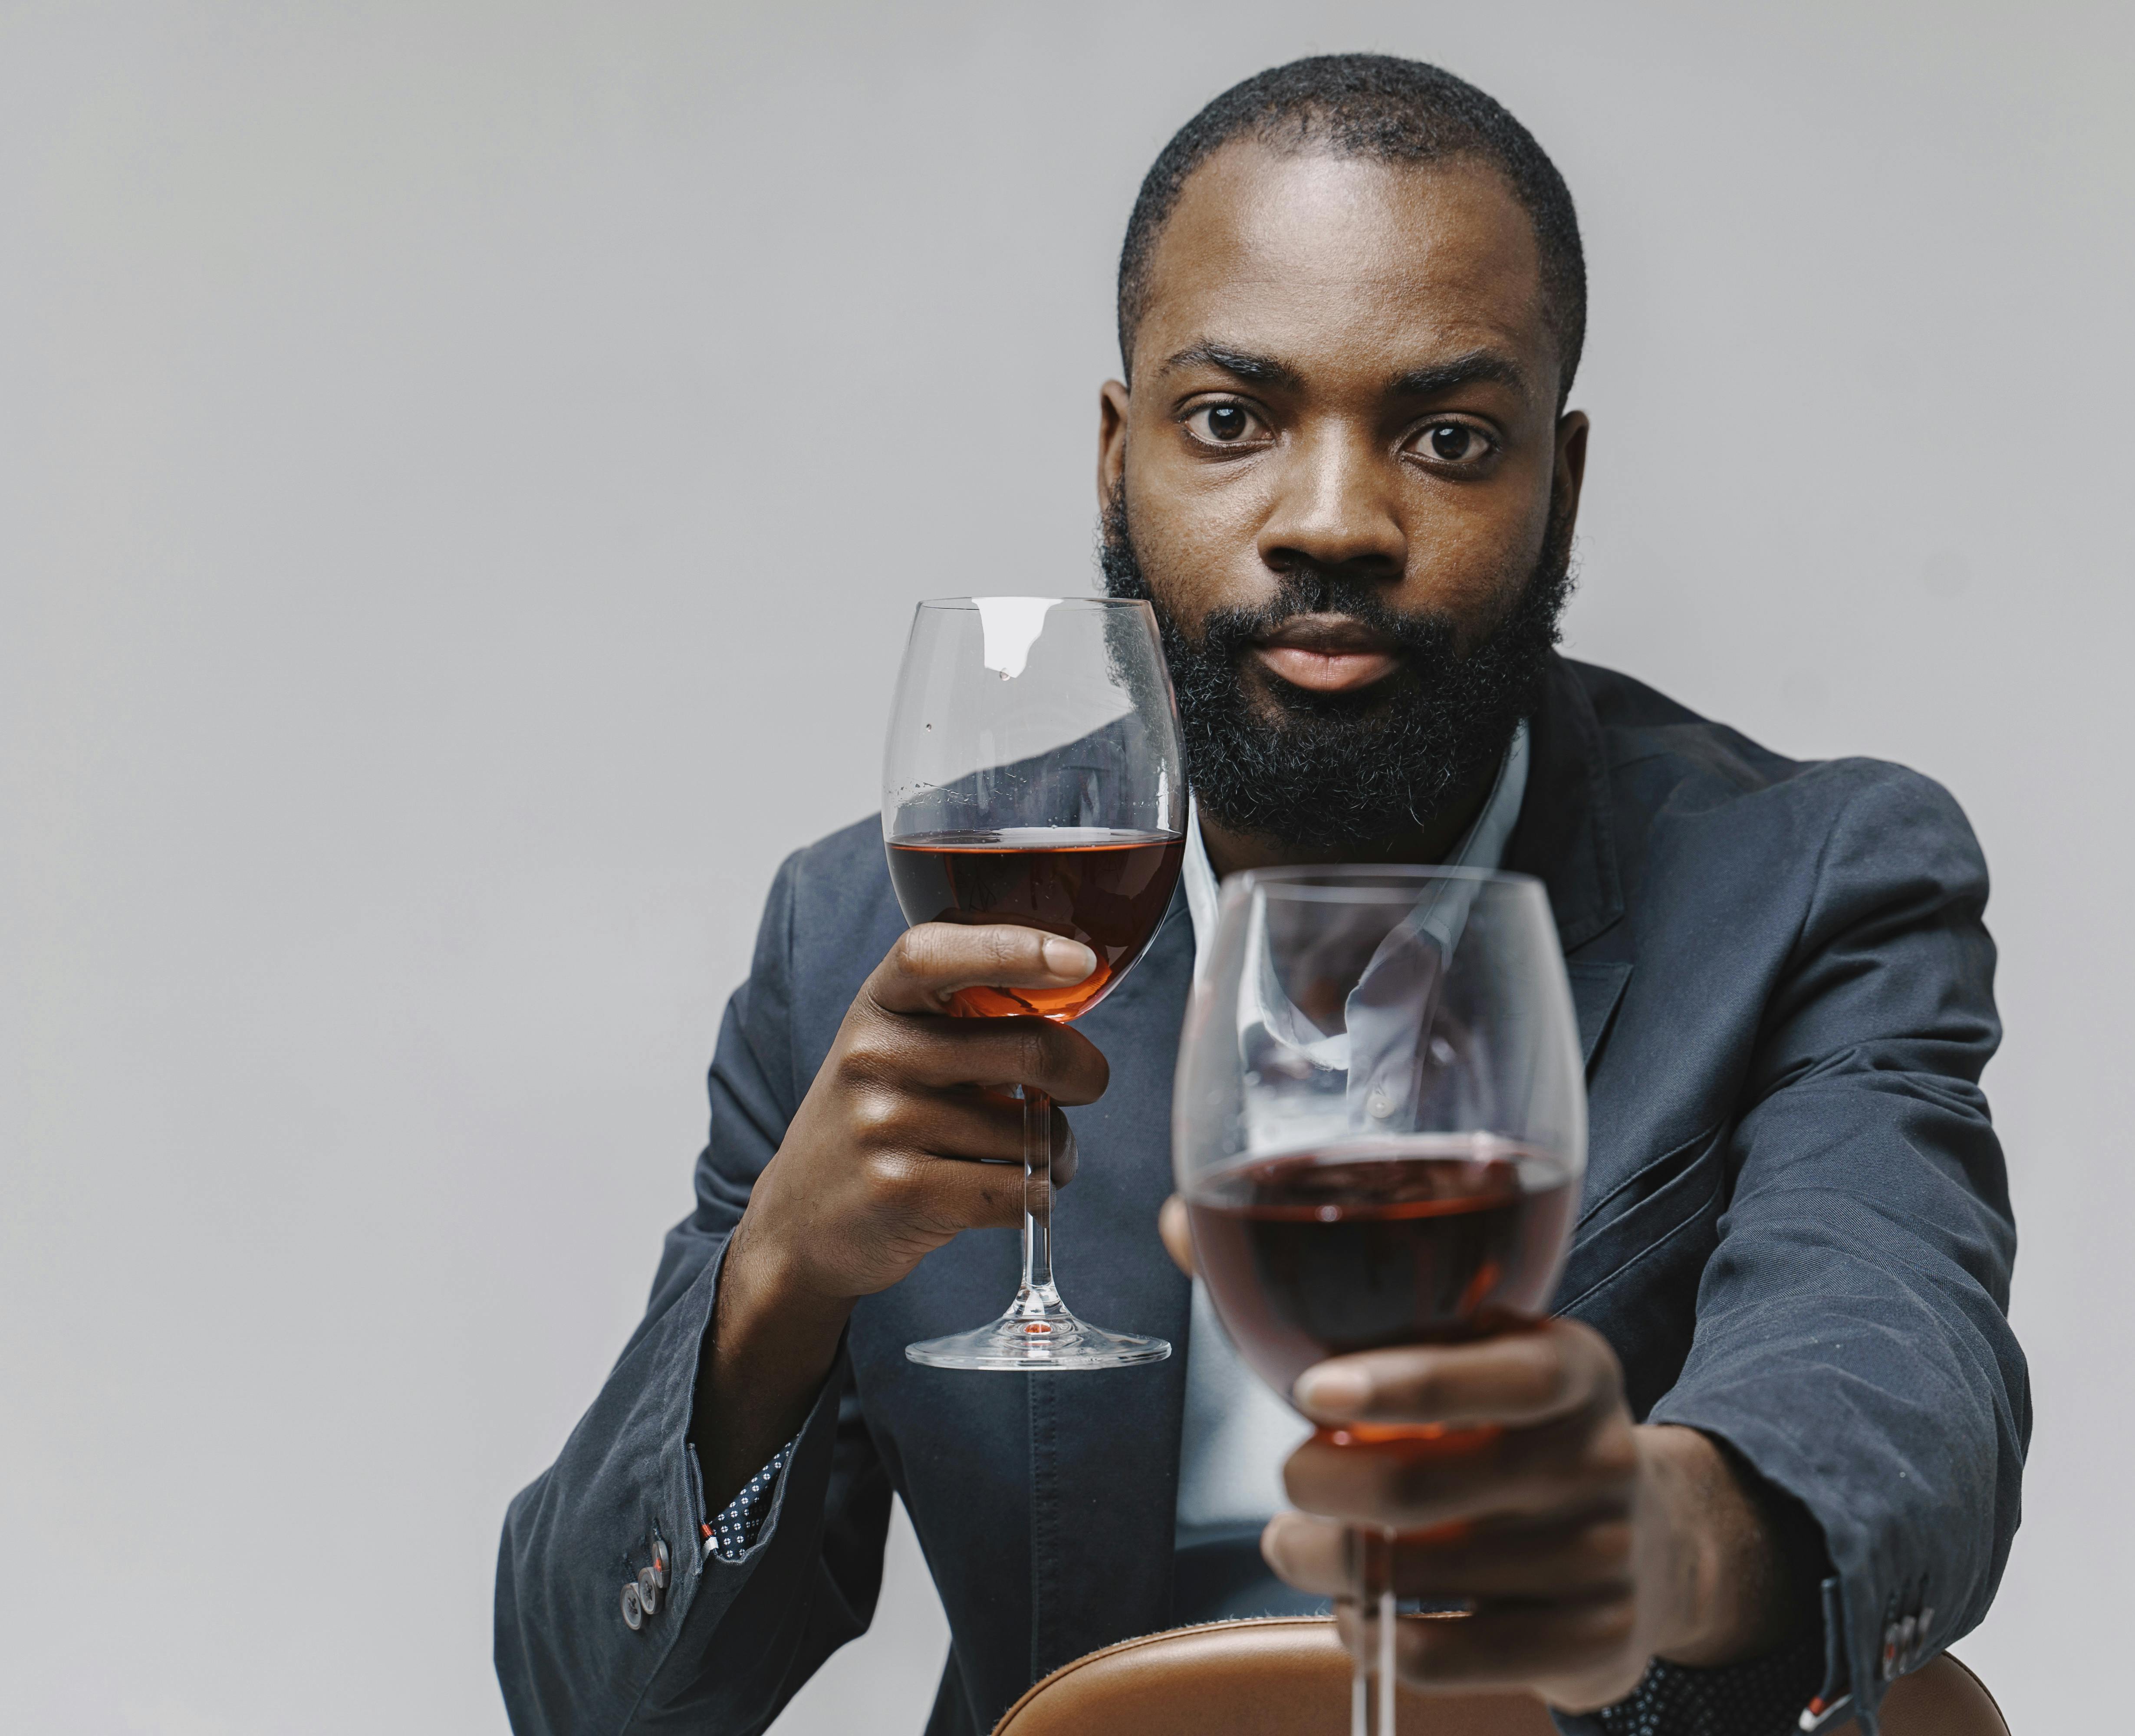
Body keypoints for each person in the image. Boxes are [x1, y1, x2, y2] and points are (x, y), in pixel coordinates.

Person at [496, 54, 2026, 1736]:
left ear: (1562, 482)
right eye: (1233, 420)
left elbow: (1899, 1373)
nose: (1332, 518)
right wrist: (777, 1285)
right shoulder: (871, 939)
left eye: (1447, 435)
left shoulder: (1814, 886)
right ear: (1115, 457)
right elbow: (588, 1700)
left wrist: (1664, 1531)